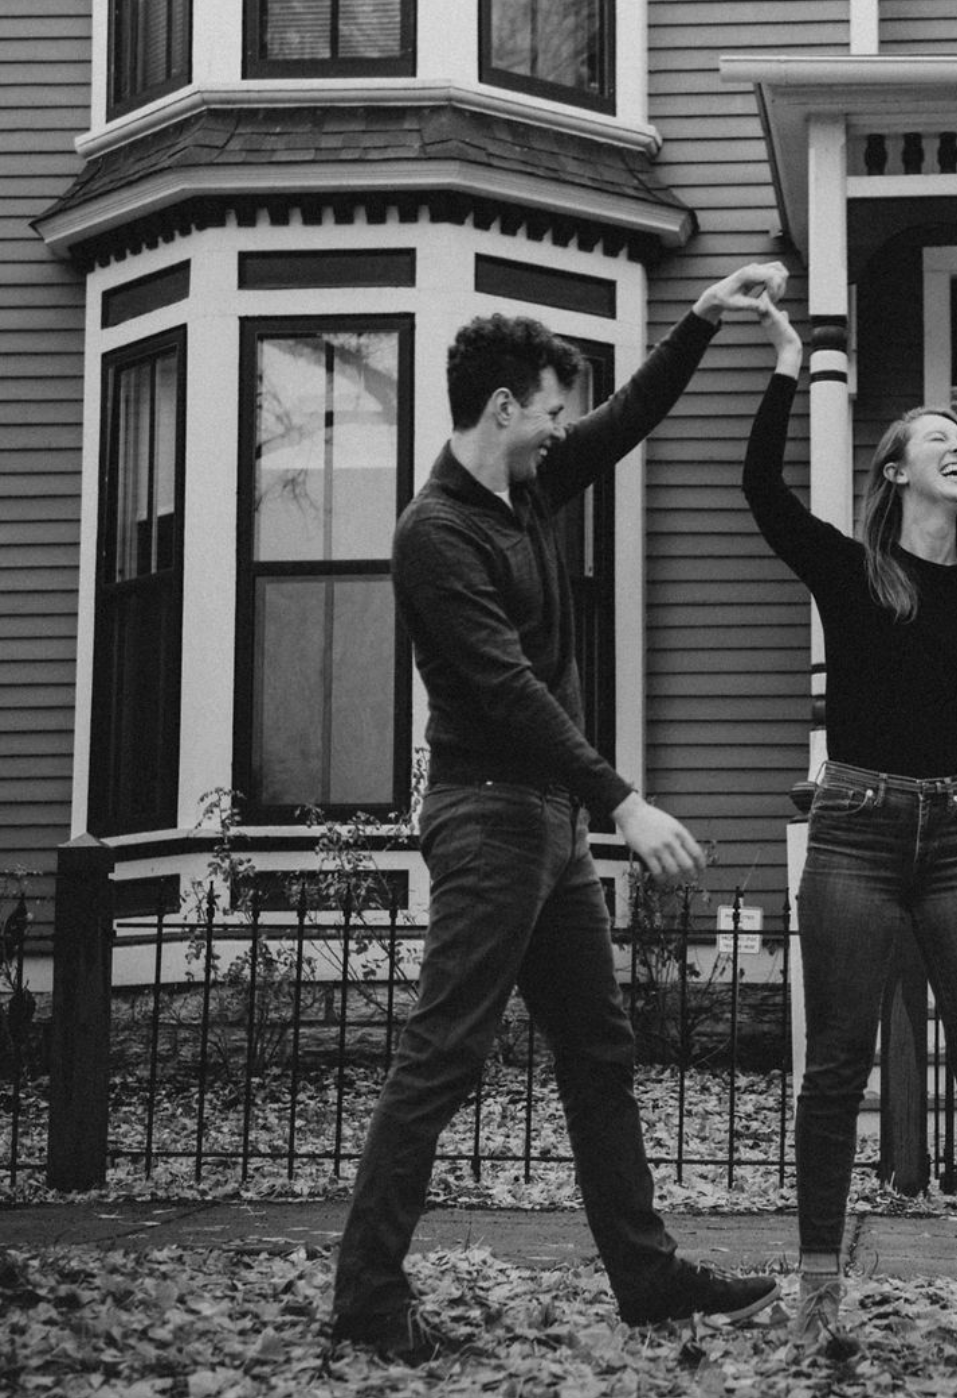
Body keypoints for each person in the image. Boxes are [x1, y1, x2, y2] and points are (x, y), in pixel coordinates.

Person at [330, 262, 791, 1363]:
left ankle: (646, 1276)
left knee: (597, 1048)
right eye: (547, 411)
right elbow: (508, 692)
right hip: (489, 817)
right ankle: (366, 1296)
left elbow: (627, 417)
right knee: (444, 1055)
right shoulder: (436, 533)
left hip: (549, 826)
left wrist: (702, 319)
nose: (559, 429)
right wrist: (622, 800)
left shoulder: (527, 489)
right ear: (503, 409)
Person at [742, 297, 957, 1349]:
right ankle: (818, 1292)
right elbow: (760, 491)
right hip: (856, 830)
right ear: (894, 470)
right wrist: (787, 364)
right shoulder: (850, 571)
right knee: (835, 1066)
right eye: (936, 438)